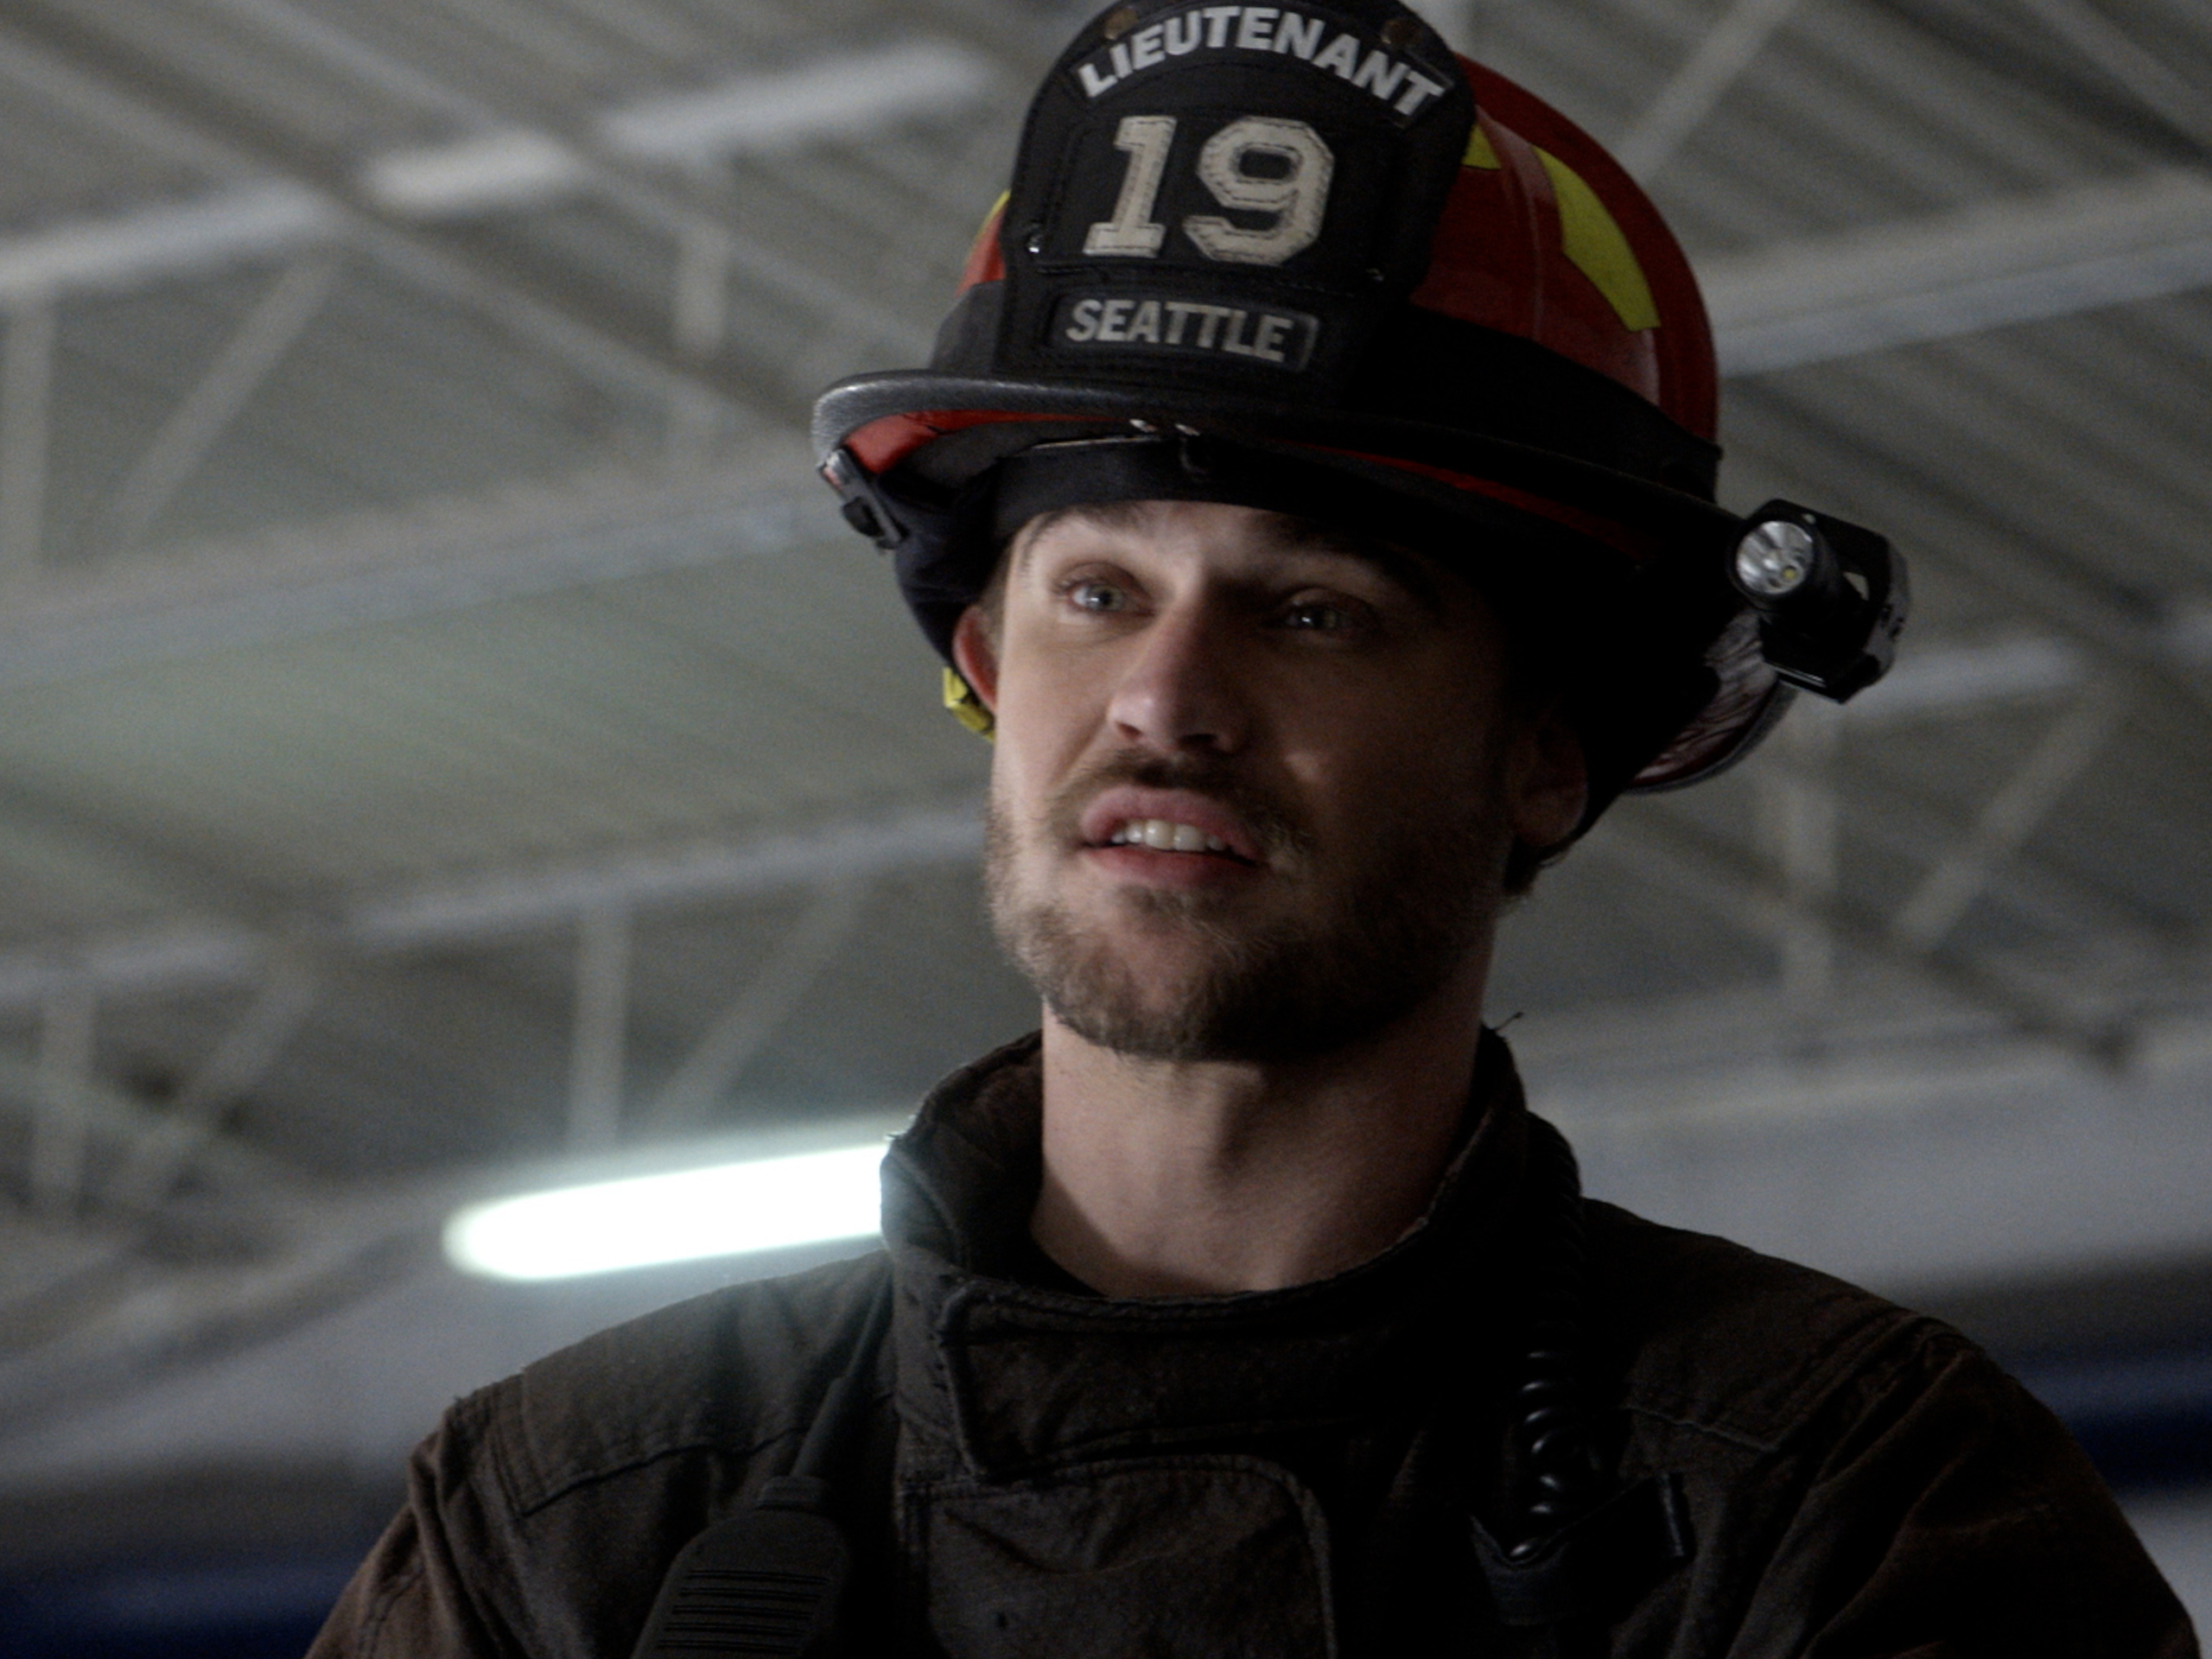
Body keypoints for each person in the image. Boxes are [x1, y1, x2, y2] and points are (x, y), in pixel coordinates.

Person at [312, 1, 2196, 1654]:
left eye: (1311, 613)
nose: (1165, 698)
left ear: (1545, 754)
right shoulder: (584, 1516)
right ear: (986, 667)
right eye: (1098, 594)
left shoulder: (1837, 1490)